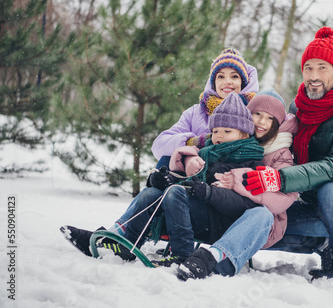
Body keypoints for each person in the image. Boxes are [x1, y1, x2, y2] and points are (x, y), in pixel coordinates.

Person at [60, 48, 260, 252]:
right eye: (221, 76)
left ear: (243, 82)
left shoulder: (254, 113)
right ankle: (116, 237)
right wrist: (194, 144)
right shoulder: (196, 112)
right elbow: (160, 144)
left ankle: (124, 238)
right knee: (153, 189)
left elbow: (258, 155)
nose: (228, 82)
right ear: (213, 81)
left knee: (163, 189)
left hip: (214, 197)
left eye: (234, 76)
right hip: (182, 183)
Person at [241, 27, 333, 281]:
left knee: (332, 190)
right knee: (269, 223)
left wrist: (280, 179)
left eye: (322, 67)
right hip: (313, 201)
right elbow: (280, 148)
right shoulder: (299, 107)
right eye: (308, 68)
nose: (314, 75)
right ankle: (322, 243)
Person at [171, 88, 298, 280]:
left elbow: (284, 196)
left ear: (277, 123)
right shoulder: (229, 132)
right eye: (257, 114)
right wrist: (189, 160)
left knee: (261, 213)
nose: (262, 122)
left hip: (258, 220)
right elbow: (196, 150)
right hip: (219, 208)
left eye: (270, 118)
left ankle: (213, 258)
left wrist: (240, 181)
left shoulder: (281, 153)